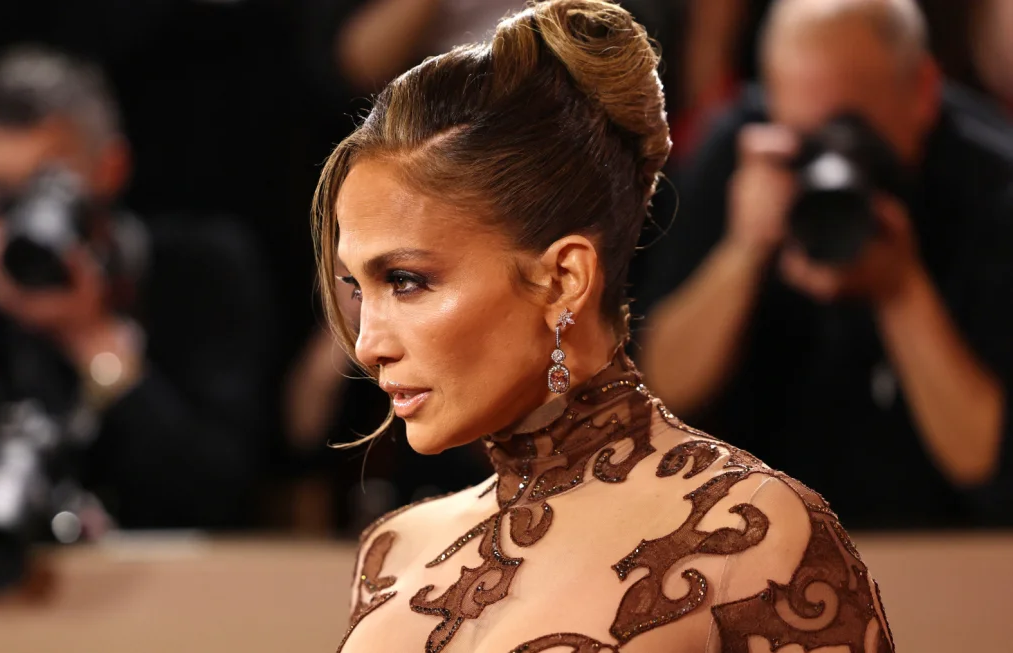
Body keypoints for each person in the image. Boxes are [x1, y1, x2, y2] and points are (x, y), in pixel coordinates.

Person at [313, 1, 894, 651]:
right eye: (356, 287)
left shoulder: (754, 533)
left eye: (406, 281)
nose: (367, 344)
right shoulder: (392, 551)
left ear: (564, 279)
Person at [637, 0, 1013, 528]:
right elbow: (657, 399)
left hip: (944, 550)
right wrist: (743, 251)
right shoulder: (738, 154)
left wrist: (901, 291)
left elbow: (991, 464)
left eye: (851, 126)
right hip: (760, 537)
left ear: (922, 91)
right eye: (805, 132)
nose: (830, 159)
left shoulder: (993, 186)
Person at [0, 46, 272, 533]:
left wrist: (90, 338)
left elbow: (216, 492)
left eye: (43, 188)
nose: (19, 217)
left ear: (110, 169)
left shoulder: (202, 270)